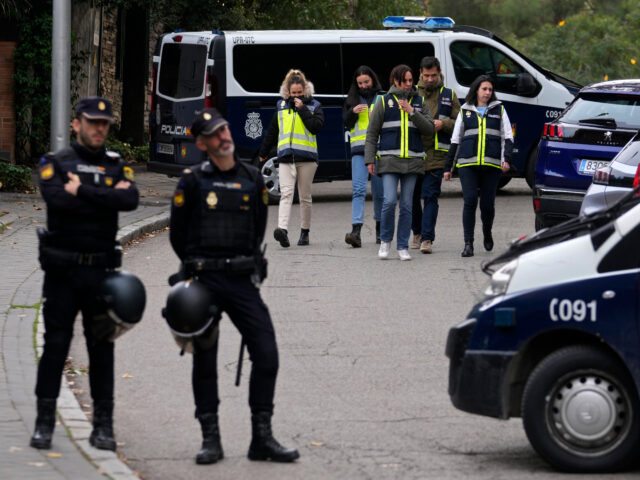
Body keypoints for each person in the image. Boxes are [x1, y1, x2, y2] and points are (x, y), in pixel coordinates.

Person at [170, 108, 299, 465]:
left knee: (267, 354)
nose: (223, 137)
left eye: (224, 129)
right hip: (203, 281)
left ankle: (262, 438)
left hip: (242, 281)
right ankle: (210, 438)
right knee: (205, 360)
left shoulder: (253, 179)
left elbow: (257, 230)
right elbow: (178, 236)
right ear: (202, 143)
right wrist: (198, 264)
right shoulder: (191, 182)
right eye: (214, 134)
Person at [31, 97, 139, 451]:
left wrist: (83, 190)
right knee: (56, 346)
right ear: (76, 124)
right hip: (63, 272)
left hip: (101, 272)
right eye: (92, 122)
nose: (99, 128)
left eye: (104, 123)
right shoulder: (56, 163)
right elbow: (59, 201)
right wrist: (105, 195)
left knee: (101, 349)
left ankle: (103, 426)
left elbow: (131, 201)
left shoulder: (116, 163)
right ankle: (44, 422)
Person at [364, 64, 434, 261]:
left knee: (407, 205)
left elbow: (429, 129)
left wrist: (413, 112)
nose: (409, 84)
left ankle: (403, 246)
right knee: (388, 201)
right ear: (396, 81)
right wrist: (369, 159)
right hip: (389, 160)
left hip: (413, 161)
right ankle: (385, 241)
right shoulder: (384, 102)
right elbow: (372, 133)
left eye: (411, 81)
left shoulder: (418, 101)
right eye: (405, 81)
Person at [444, 75, 513, 257]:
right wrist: (448, 168)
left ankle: (487, 232)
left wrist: (505, 159)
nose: (488, 93)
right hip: (468, 164)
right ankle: (468, 243)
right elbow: (455, 140)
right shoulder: (465, 110)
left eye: (490, 90)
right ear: (476, 90)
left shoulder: (499, 109)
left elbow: (507, 136)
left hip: (491, 165)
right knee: (470, 201)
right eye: (484, 89)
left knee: (487, 205)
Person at [259, 69, 324, 248]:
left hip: (307, 158)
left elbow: (316, 127)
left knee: (304, 197)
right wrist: (263, 152)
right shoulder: (281, 106)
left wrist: (302, 109)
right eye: (293, 93)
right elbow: (272, 131)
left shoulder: (314, 106)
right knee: (286, 193)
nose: (296, 96)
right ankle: (282, 230)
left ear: (305, 91)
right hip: (286, 157)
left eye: (299, 93)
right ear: (288, 92)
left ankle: (305, 231)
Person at [410, 56, 460, 254]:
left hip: (437, 154)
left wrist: (444, 124)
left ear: (439, 73)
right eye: (426, 75)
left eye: (433, 75)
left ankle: (427, 239)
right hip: (413, 153)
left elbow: (461, 121)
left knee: (431, 196)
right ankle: (417, 232)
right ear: (420, 73)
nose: (430, 79)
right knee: (412, 197)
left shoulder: (449, 94)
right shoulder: (411, 93)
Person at [343, 65, 384, 247]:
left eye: (366, 82)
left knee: (379, 193)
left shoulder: (382, 97)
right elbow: (346, 122)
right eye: (360, 83)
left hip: (379, 150)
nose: (363, 86)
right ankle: (356, 231)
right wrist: (352, 112)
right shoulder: (352, 99)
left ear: (372, 80)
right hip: (359, 150)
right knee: (358, 190)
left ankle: (380, 230)